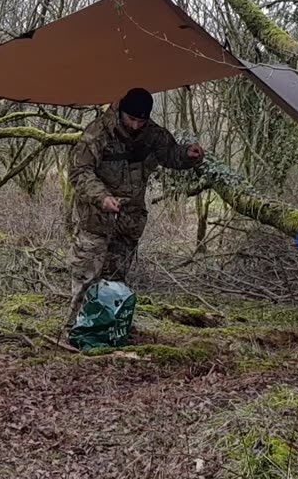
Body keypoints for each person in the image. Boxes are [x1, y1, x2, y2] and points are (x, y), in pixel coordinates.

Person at [64, 87, 205, 332]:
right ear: (121, 112)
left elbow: (169, 154)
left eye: (141, 121)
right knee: (86, 278)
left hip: (128, 222)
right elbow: (79, 171)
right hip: (95, 220)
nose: (136, 125)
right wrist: (102, 197)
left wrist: (188, 155)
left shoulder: (151, 133)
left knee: (115, 284)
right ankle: (77, 331)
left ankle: (109, 332)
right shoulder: (98, 133)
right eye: (131, 119)